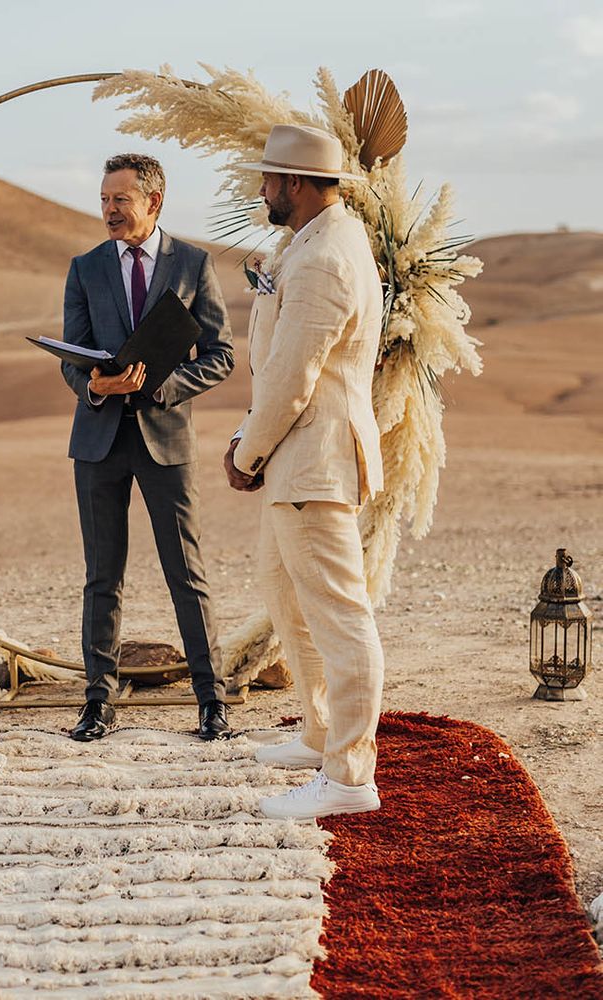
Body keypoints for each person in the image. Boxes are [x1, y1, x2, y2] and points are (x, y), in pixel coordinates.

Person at [224, 125, 385, 819]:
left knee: (341, 617)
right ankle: (320, 733)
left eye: (267, 179)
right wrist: (250, 437)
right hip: (297, 456)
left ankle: (350, 775)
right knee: (283, 590)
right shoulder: (313, 243)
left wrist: (246, 451)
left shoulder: (324, 258)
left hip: (312, 458)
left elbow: (294, 375)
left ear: (294, 183)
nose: (261, 190)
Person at [62, 153, 234, 743]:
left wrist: (164, 385)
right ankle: (97, 703)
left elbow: (221, 355)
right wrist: (93, 384)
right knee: (101, 577)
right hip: (98, 440)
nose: (109, 210)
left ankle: (212, 701)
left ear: (153, 202)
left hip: (167, 441)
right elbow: (72, 355)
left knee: (186, 573)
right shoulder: (84, 268)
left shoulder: (194, 263)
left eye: (120, 200)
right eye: (105, 199)